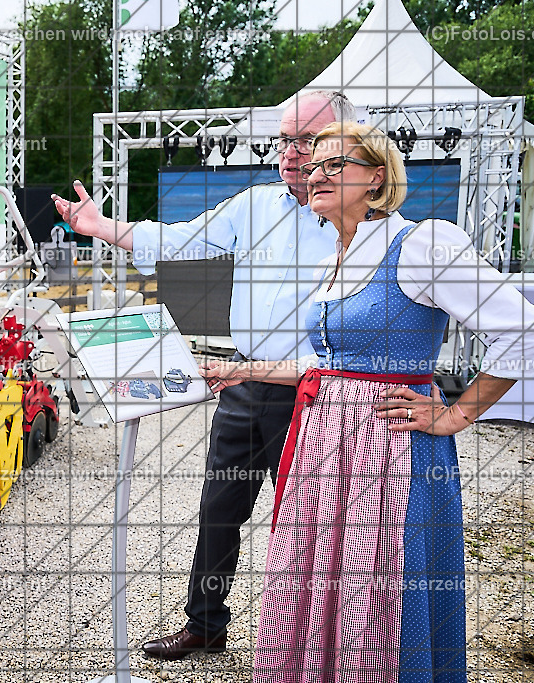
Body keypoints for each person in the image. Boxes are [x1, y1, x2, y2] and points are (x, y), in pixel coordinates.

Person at [200, 121, 533, 682]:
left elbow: (521, 329)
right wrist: (246, 370)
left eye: (335, 164)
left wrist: (456, 413)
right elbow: (333, 366)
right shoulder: (338, 253)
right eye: (312, 167)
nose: (317, 175)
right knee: (318, 585)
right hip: (325, 449)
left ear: (376, 178)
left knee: (376, 591)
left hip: (387, 451)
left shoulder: (423, 243)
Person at [52, 90, 357, 659]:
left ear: (346, 144)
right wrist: (100, 226)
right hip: (243, 386)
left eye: (308, 140)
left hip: (315, 395)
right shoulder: (253, 206)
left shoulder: (363, 223)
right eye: (286, 139)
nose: (293, 153)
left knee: (310, 528)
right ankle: (205, 623)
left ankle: (312, 643)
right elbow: (178, 241)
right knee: (219, 510)